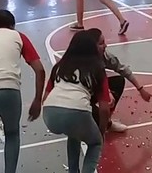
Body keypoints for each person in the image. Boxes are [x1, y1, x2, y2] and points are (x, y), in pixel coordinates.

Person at [0, 10, 45, 173]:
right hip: (7, 90)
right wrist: (38, 100)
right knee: (12, 134)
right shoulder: (18, 36)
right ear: (12, 25)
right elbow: (39, 69)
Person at [42, 31, 111, 173]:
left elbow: (45, 97)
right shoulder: (97, 68)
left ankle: (73, 171)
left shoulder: (60, 66)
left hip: (49, 113)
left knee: (74, 134)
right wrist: (102, 130)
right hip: (77, 111)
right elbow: (104, 108)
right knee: (96, 143)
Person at [86, 28, 152, 133]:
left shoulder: (105, 56)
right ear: (91, 47)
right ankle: (98, 124)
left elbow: (123, 69)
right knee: (94, 123)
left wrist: (140, 89)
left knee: (118, 81)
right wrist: (106, 93)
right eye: (101, 43)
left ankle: (107, 121)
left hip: (93, 91)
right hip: (81, 96)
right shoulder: (82, 62)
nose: (105, 46)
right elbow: (91, 82)